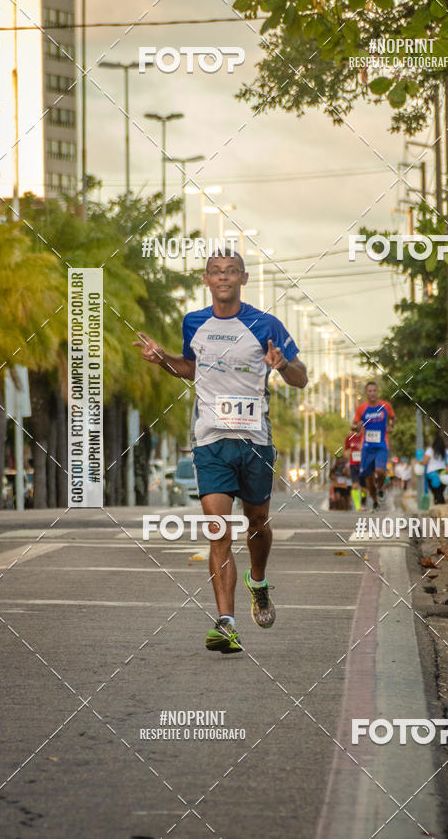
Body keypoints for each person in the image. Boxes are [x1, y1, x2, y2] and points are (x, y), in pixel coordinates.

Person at [134, 249, 307, 654]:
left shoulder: (266, 324)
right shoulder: (193, 322)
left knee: (258, 521)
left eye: (231, 272)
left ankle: (259, 581)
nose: (224, 277)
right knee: (218, 530)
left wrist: (281, 366)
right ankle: (226, 622)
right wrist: (161, 359)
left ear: (243, 279)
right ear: (207, 280)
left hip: (255, 442)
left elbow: (300, 378)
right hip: (210, 441)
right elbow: (190, 368)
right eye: (216, 272)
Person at [351, 381, 395, 510]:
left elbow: (393, 418)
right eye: (369, 391)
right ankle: (375, 500)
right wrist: (356, 427)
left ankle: (380, 488)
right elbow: (353, 425)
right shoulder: (361, 408)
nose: (372, 393)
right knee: (368, 477)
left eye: (374, 390)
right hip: (367, 446)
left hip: (382, 444)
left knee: (380, 471)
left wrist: (391, 426)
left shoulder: (386, 406)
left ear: (377, 391)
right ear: (366, 393)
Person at [344, 429, 366, 510]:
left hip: (363, 465)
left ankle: (363, 502)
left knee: (364, 488)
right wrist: (348, 457)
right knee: (355, 485)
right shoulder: (349, 438)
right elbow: (346, 450)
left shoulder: (364, 437)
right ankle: (358, 506)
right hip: (353, 464)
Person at [422, 434, 447, 505]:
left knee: (436, 492)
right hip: (443, 472)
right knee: (441, 491)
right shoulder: (444, 451)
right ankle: (442, 506)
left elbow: (424, 461)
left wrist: (420, 462)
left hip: (432, 473)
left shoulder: (430, 450)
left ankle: (438, 506)